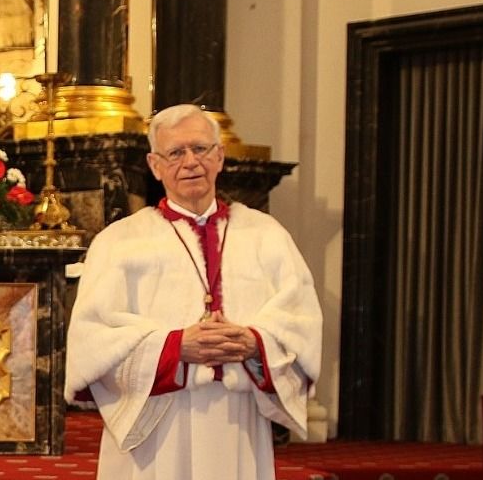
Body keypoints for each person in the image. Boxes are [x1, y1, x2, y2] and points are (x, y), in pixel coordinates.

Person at [65, 104, 322, 479]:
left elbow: (301, 322)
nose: (190, 162)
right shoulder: (119, 242)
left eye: (200, 149)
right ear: (155, 166)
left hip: (236, 420)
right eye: (175, 153)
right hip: (156, 423)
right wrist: (173, 347)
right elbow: (93, 339)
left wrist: (255, 342)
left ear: (219, 157)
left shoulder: (267, 236)